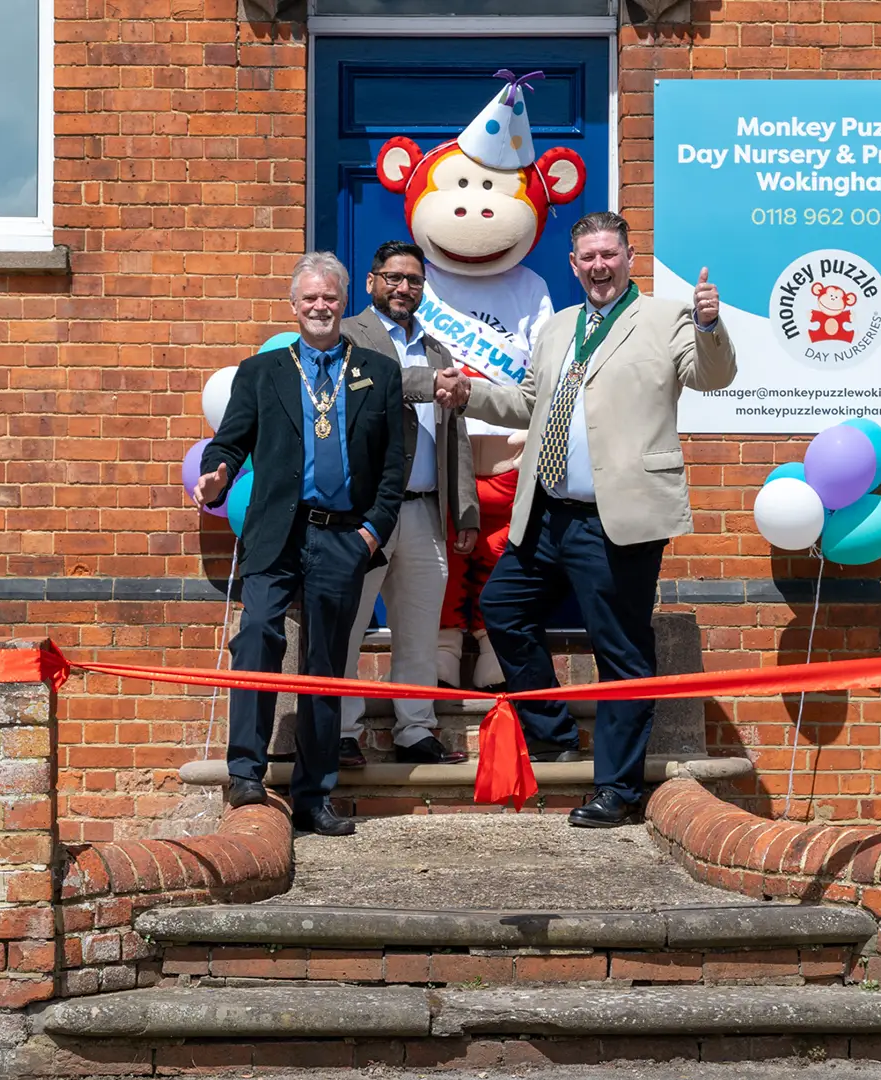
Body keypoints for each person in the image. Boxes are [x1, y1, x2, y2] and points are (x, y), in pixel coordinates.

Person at [435, 211, 735, 828]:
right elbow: (527, 402)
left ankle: (618, 790)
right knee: (503, 608)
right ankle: (551, 729)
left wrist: (709, 325)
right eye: (587, 258)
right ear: (573, 266)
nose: (599, 267)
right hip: (544, 511)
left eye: (609, 255)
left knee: (620, 653)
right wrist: (470, 395)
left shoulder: (665, 318)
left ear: (629, 258)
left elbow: (711, 375)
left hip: (617, 518)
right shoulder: (558, 329)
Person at [194, 252, 407, 837]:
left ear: (344, 303)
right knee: (258, 636)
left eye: (330, 297)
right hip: (276, 536)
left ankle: (315, 796)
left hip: (343, 539)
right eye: (309, 298)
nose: (320, 306)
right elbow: (230, 442)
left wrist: (371, 533)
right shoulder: (261, 372)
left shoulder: (376, 372)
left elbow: (394, 466)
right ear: (294, 306)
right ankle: (246, 773)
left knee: (324, 668)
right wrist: (214, 473)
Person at [335, 241, 478, 768]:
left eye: (414, 281)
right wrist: (424, 384)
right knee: (347, 626)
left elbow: (454, 437)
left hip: (423, 511)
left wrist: (463, 510)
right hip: (366, 512)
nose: (403, 288)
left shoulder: (437, 349)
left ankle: (415, 730)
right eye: (393, 278)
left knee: (418, 629)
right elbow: (365, 385)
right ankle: (342, 732)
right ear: (372, 281)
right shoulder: (349, 335)